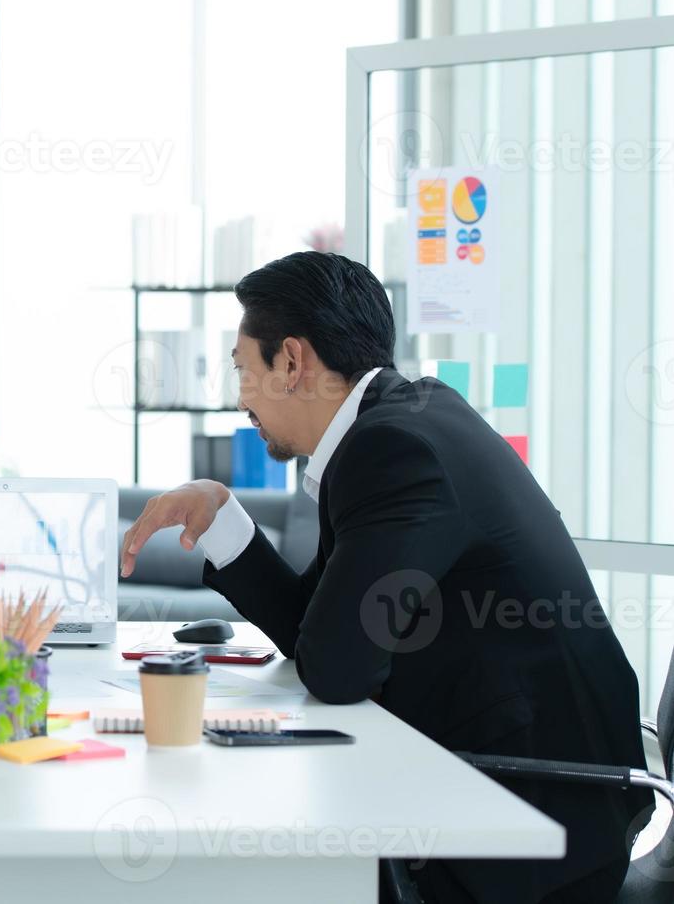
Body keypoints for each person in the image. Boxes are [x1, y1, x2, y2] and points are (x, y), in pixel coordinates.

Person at [120, 251, 650, 903]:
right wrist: (223, 518)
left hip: (531, 824)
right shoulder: (403, 421)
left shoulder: (393, 449)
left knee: (243, 861)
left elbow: (337, 670)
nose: (241, 399)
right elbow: (318, 625)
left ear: (291, 362)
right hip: (519, 785)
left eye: (243, 370)